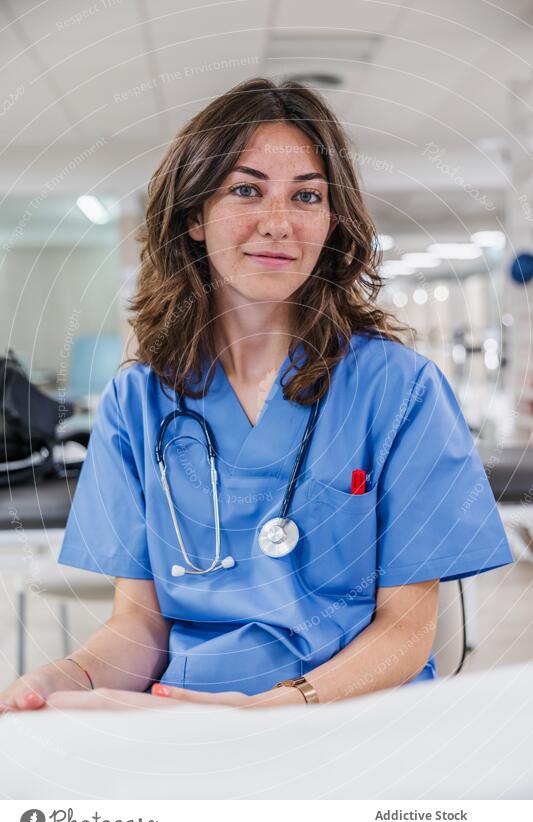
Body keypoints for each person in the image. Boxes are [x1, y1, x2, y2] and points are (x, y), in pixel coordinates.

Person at [0, 78, 513, 713]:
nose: (278, 223)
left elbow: (408, 632)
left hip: (355, 716)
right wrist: (68, 678)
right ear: (193, 216)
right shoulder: (138, 403)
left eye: (306, 196)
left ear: (331, 221)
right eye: (246, 190)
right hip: (187, 717)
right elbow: (141, 627)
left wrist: (278, 706)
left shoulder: (400, 391)